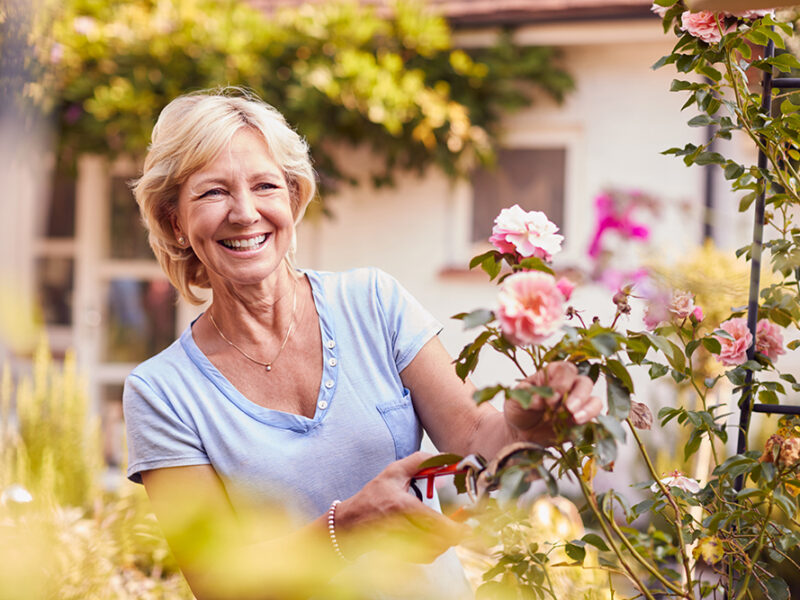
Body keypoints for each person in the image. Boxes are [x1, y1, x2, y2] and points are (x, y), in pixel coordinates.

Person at [124, 88, 602, 600]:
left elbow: (475, 438)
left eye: (264, 185)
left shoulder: (373, 302)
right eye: (213, 192)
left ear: (292, 196)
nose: (244, 213)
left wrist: (525, 422)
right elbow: (219, 584)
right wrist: (347, 527)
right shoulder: (162, 392)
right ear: (175, 219)